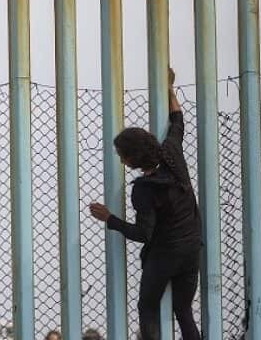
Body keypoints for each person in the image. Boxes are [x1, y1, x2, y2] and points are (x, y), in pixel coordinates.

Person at [89, 68, 201, 340]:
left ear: (132, 159)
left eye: (121, 155)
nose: (120, 160)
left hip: (164, 255)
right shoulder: (172, 155)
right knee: (183, 310)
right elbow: (178, 122)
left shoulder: (143, 189)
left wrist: (109, 219)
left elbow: (142, 233)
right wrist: (170, 89)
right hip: (191, 248)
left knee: (147, 308)